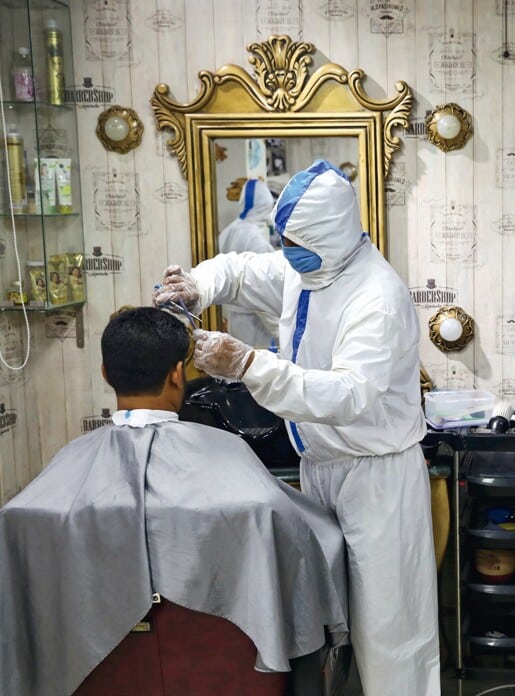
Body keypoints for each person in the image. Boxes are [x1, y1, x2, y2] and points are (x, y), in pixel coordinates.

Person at [152, 158, 440, 695]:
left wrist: (249, 364)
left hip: (376, 477)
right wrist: (197, 285)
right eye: (283, 240)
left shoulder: (376, 296)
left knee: (389, 632)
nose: (285, 251)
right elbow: (240, 271)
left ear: (328, 236)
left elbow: (348, 394)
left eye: (295, 243)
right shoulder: (307, 268)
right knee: (330, 625)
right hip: (320, 468)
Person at [0, 307, 349, 695]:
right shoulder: (231, 459)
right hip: (225, 669)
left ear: (105, 373)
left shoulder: (40, 494)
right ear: (178, 374)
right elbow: (306, 541)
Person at [217, 178, 278, 347]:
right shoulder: (254, 239)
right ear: (265, 205)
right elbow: (262, 289)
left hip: (233, 316)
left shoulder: (229, 231)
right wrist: (279, 331)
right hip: (255, 321)